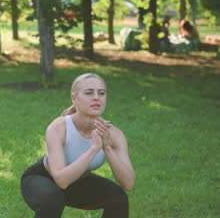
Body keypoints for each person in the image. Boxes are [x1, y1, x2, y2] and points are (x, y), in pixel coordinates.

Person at [21, 73, 136, 218]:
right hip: (42, 179)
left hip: (77, 181)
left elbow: (129, 183)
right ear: (74, 98)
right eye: (89, 93)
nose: (96, 97)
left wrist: (107, 147)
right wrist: (94, 148)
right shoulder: (59, 127)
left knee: (117, 196)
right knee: (53, 198)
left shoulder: (114, 135)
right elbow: (62, 181)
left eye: (101, 93)